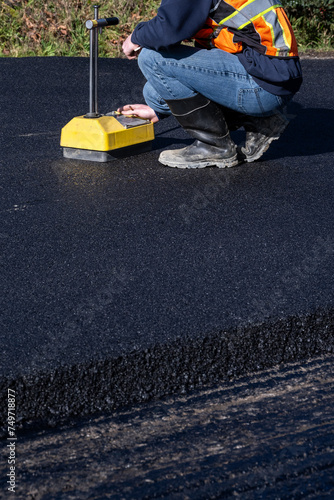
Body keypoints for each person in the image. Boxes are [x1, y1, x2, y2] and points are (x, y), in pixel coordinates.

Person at [118, 0, 302, 169]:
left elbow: (168, 28)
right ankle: (258, 119)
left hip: (262, 84)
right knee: (154, 94)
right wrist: (158, 110)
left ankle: (215, 147)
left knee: (151, 58)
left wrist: (135, 37)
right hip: (268, 77)